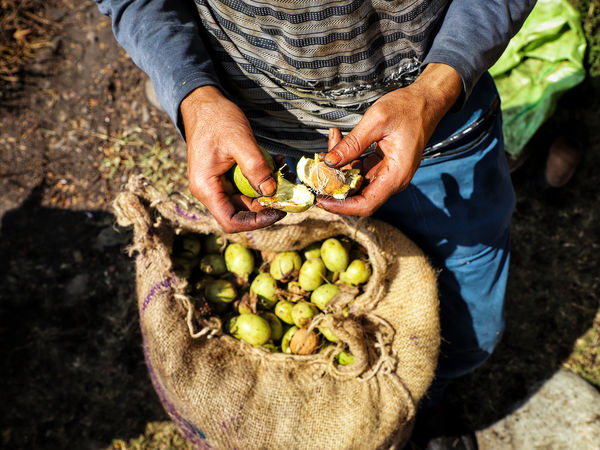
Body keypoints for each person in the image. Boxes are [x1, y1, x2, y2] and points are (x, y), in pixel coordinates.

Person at [95, 1, 536, 448]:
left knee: (470, 304)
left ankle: (430, 397)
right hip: (256, 142)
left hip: (439, 125)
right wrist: (193, 94)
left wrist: (436, 88)